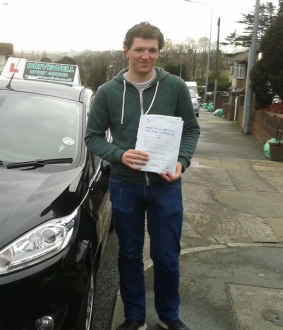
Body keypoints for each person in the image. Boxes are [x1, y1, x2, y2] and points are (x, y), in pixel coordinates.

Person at [85, 22, 200, 330]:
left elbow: (190, 129)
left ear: (158, 52)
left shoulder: (174, 87)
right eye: (139, 49)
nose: (146, 56)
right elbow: (93, 137)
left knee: (166, 257)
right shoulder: (108, 92)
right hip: (125, 186)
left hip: (166, 186)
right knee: (129, 254)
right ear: (127, 51)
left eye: (152, 50)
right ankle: (135, 317)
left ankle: (168, 316)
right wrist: (118, 154)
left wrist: (182, 161)